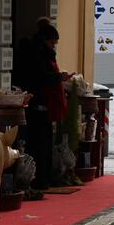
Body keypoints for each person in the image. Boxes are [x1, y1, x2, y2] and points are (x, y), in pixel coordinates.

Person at [24, 23, 67, 190]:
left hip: (44, 105)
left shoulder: (43, 54)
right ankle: (40, 180)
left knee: (45, 143)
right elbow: (41, 78)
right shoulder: (38, 55)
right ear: (46, 40)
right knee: (40, 144)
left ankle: (44, 179)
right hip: (39, 104)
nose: (54, 45)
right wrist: (58, 77)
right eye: (53, 42)